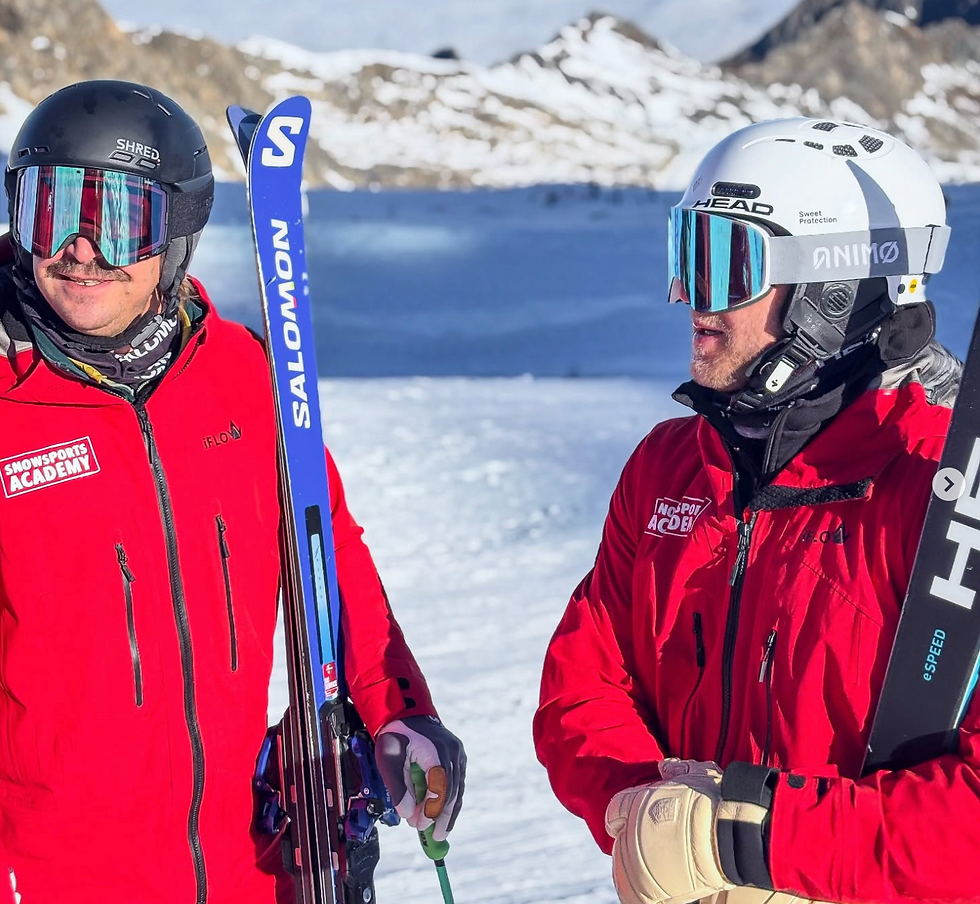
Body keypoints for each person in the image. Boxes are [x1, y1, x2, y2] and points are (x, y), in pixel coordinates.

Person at [0, 80, 464, 904]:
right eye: (53, 210)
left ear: (177, 230)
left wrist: (397, 709)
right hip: (47, 876)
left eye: (117, 219)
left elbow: (326, 549)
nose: (79, 248)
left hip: (244, 868)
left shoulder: (244, 377)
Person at [534, 118, 967, 904]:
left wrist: (756, 840)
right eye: (687, 255)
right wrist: (647, 814)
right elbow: (584, 684)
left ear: (833, 292)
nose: (690, 299)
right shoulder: (669, 469)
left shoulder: (946, 492)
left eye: (726, 263)